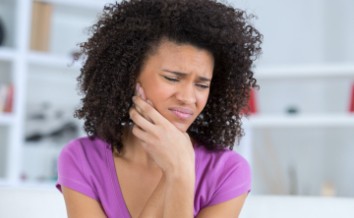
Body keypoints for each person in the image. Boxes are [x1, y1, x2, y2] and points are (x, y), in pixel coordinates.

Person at [56, 0, 262, 217]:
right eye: (172, 78)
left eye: (202, 85)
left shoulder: (228, 171)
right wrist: (176, 170)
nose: (187, 98)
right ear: (131, 76)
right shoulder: (82, 159)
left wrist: (180, 174)